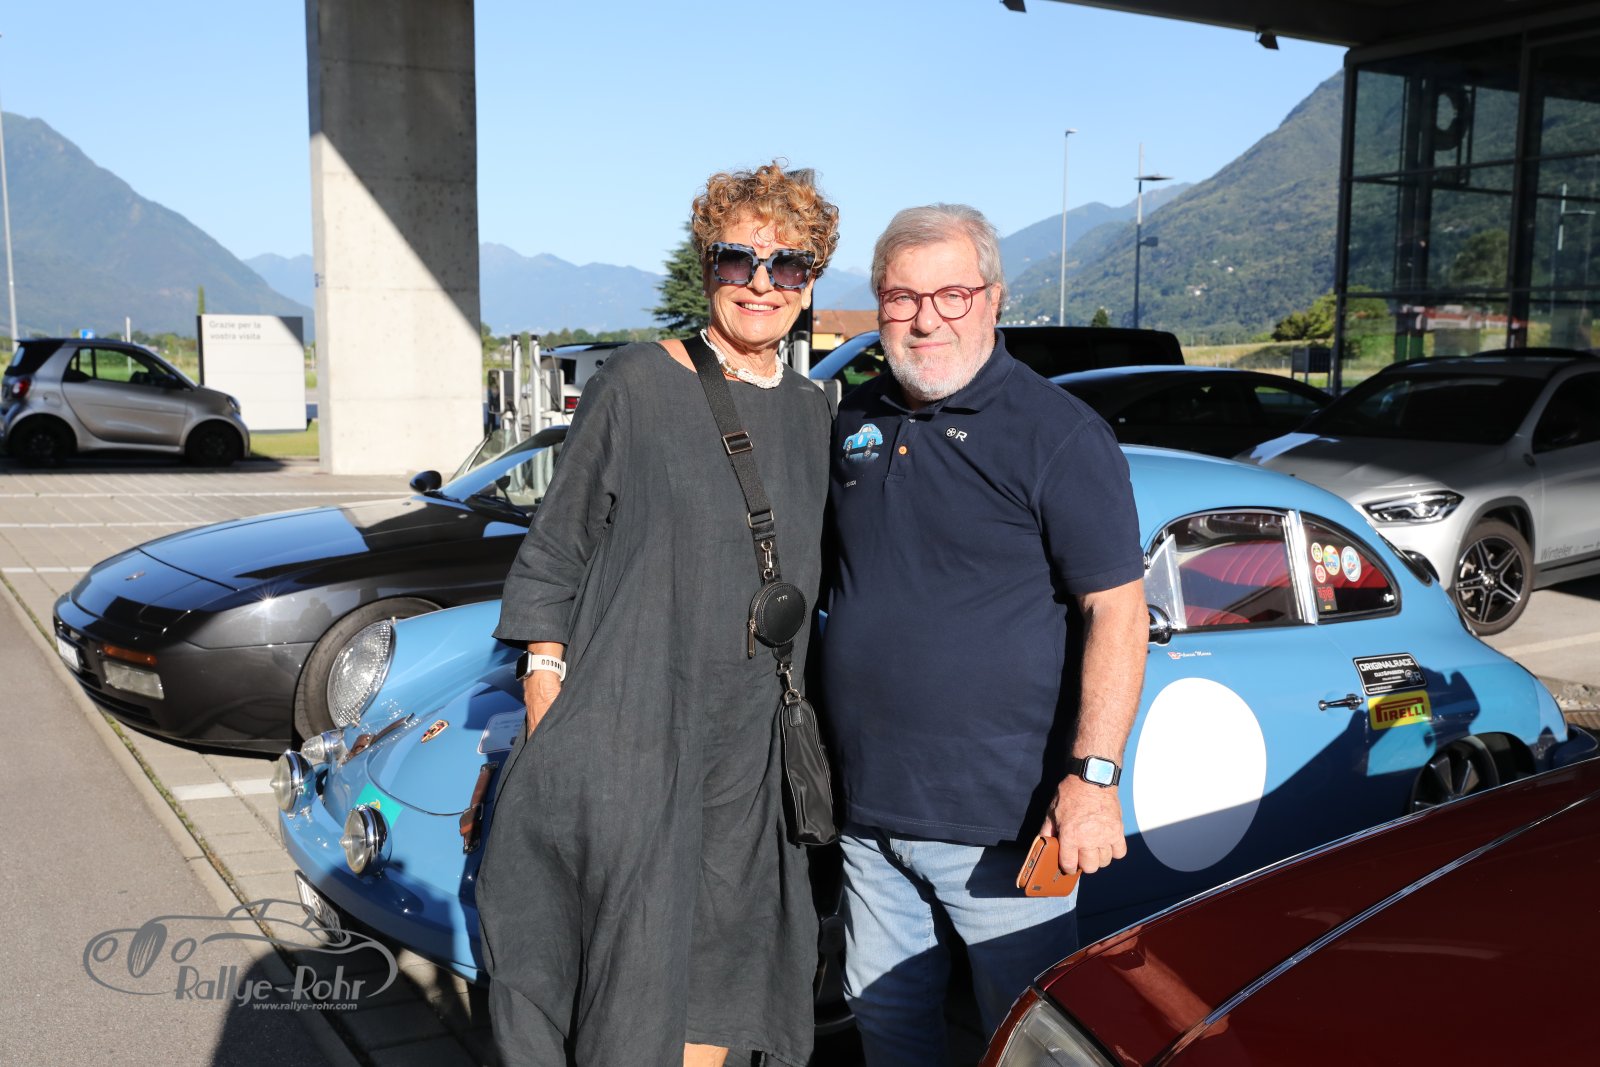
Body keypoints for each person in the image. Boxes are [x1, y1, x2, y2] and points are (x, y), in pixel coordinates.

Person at [476, 162, 840, 1067]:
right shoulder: (638, 383)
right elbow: (557, 544)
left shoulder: (814, 411)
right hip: (636, 728)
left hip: (751, 748)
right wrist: (546, 688)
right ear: (709, 266)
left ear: (809, 282)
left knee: (722, 961)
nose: (761, 283)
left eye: (788, 265)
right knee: (630, 960)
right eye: (739, 258)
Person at [820, 204, 1148, 1065]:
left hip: (1003, 826)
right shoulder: (853, 421)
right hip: (868, 813)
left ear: (994, 299)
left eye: (952, 295)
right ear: (879, 305)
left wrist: (1094, 780)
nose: (926, 318)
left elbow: (1117, 610)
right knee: (889, 1030)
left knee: (1026, 1044)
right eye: (902, 297)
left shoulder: (1057, 434)